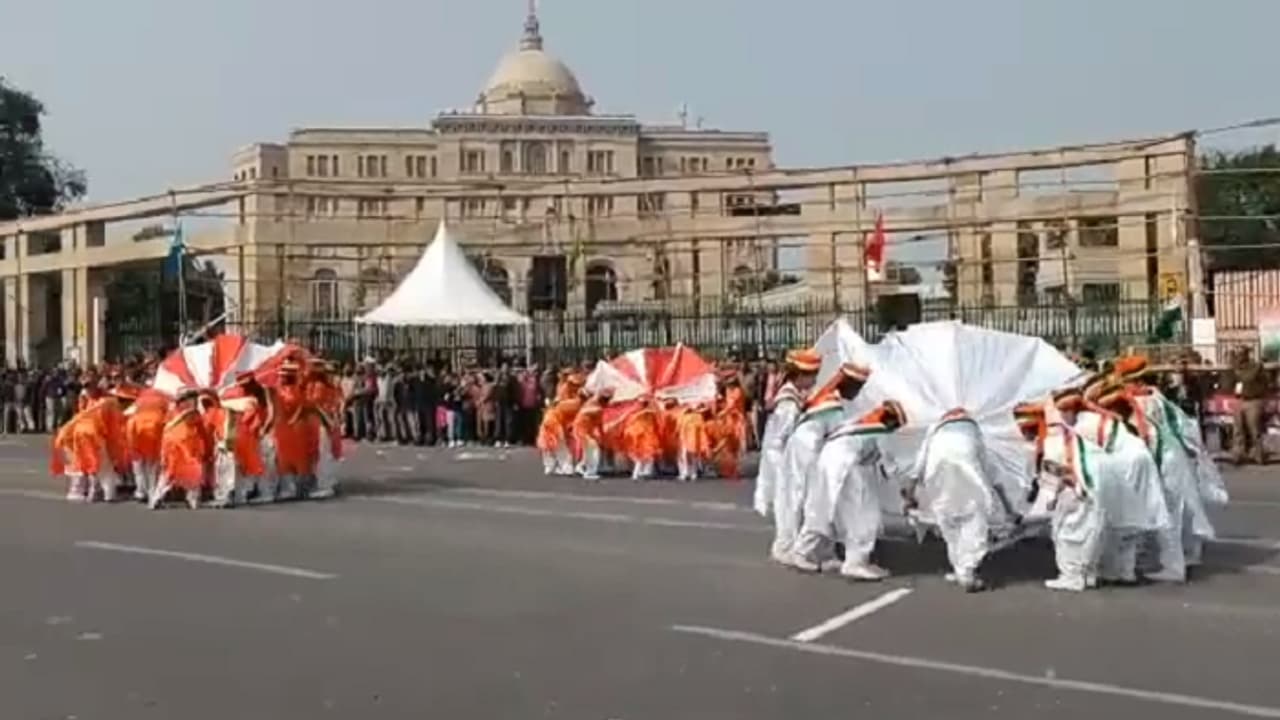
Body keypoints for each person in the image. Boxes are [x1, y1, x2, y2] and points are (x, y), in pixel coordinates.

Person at [901, 406, 1009, 593]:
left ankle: (960, 568)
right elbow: (986, 466)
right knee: (974, 522)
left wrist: (910, 493)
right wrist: (1003, 501)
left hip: (938, 476)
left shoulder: (935, 430)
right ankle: (966, 571)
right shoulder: (973, 430)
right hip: (968, 474)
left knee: (949, 523)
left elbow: (919, 462)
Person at [796, 400, 906, 580]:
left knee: (822, 510)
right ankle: (856, 562)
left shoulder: (854, 424)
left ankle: (805, 551)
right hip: (849, 468)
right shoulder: (878, 432)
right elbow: (891, 467)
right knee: (864, 515)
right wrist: (906, 493)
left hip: (828, 464)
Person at [777, 362, 869, 570]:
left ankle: (818, 551)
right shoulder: (832, 404)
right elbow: (839, 435)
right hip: (807, 451)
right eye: (857, 387)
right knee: (807, 501)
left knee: (816, 502)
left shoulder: (832, 399)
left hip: (811, 450)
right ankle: (797, 550)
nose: (858, 392)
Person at [1014, 399, 1106, 593]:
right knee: (1088, 532)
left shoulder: (1053, 442)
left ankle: (1072, 577)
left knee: (1066, 534)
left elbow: (1059, 473)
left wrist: (1052, 497)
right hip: (1092, 488)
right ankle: (1088, 574)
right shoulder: (1072, 435)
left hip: (1075, 490)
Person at [753, 349, 820, 518]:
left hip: (781, 454)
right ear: (801, 376)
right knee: (787, 504)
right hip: (781, 455)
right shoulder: (788, 402)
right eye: (812, 376)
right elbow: (783, 435)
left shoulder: (793, 394)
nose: (815, 380)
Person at [152, 389, 215, 510]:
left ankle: (157, 497)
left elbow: (165, 429)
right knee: (192, 472)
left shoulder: (172, 412)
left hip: (174, 445)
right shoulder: (192, 413)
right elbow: (202, 432)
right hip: (185, 446)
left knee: (169, 473)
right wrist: (207, 449)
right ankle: (192, 500)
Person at [125, 387, 171, 503]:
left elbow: (127, 414)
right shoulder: (164, 400)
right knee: (152, 465)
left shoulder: (140, 400)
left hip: (137, 433)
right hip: (155, 434)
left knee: (139, 466)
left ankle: (141, 491)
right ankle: (152, 491)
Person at [1226, 346, 1270, 465]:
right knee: (1238, 430)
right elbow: (1227, 384)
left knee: (1254, 429)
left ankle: (1258, 454)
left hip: (1253, 400)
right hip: (1239, 400)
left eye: (1241, 354)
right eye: (1237, 354)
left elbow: (1256, 380)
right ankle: (1238, 454)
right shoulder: (1235, 368)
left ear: (1246, 355)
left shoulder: (1255, 367)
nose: (1239, 356)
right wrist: (1231, 369)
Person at [536, 387, 582, 476]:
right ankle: (566, 468)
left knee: (547, 446)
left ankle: (550, 467)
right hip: (554, 425)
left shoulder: (560, 405)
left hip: (547, 424)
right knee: (560, 447)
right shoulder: (572, 404)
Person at [573, 388, 611, 481]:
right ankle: (590, 472)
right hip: (581, 429)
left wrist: (603, 437)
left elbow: (599, 425)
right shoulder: (595, 407)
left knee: (589, 450)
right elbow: (585, 412)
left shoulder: (597, 408)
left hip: (585, 430)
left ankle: (580, 466)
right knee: (593, 449)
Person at [621, 397, 661, 480]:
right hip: (639, 437)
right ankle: (639, 473)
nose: (643, 404)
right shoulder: (636, 414)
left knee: (648, 456)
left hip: (647, 436)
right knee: (641, 457)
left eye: (644, 403)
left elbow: (655, 421)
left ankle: (643, 473)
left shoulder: (649, 413)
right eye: (642, 403)